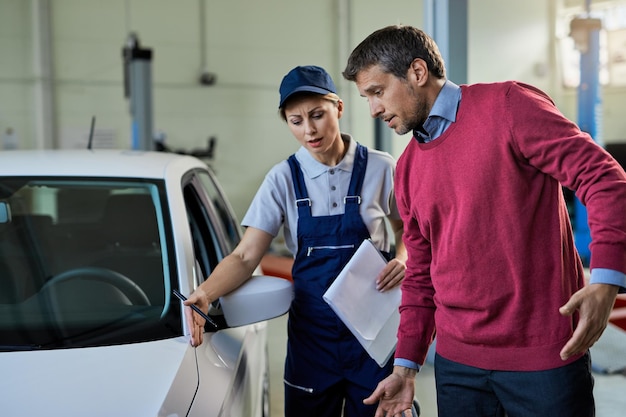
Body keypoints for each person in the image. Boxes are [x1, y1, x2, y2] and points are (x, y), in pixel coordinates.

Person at [342, 24, 626, 417]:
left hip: (544, 358)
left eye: (377, 91)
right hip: (458, 367)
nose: (373, 108)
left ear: (417, 73)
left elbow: (604, 177)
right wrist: (406, 367)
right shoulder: (406, 169)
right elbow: (421, 275)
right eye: (366, 97)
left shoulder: (509, 105)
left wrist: (606, 280)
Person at [183, 65, 407, 417]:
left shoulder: (381, 168)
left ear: (339, 108)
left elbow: (404, 229)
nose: (309, 130)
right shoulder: (282, 179)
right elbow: (244, 256)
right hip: (313, 340)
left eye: (318, 115)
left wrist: (404, 258)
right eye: (296, 120)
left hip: (374, 336)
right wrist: (205, 293)